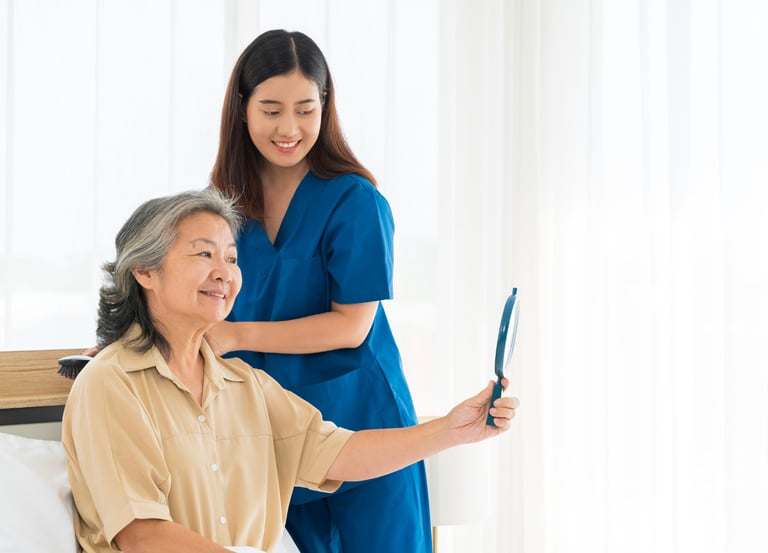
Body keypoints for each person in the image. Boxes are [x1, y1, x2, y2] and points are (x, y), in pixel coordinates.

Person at [60, 189, 519, 553]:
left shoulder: (246, 386)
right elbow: (143, 537)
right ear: (145, 271)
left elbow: (341, 453)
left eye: (233, 258)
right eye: (204, 255)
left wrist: (452, 431)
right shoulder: (110, 383)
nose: (225, 272)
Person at [205, 29, 433, 552]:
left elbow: (351, 327)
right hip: (281, 436)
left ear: (325, 108)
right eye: (271, 109)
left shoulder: (355, 200)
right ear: (242, 108)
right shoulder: (221, 204)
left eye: (306, 109)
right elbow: (186, 293)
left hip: (365, 426)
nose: (289, 128)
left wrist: (236, 334)